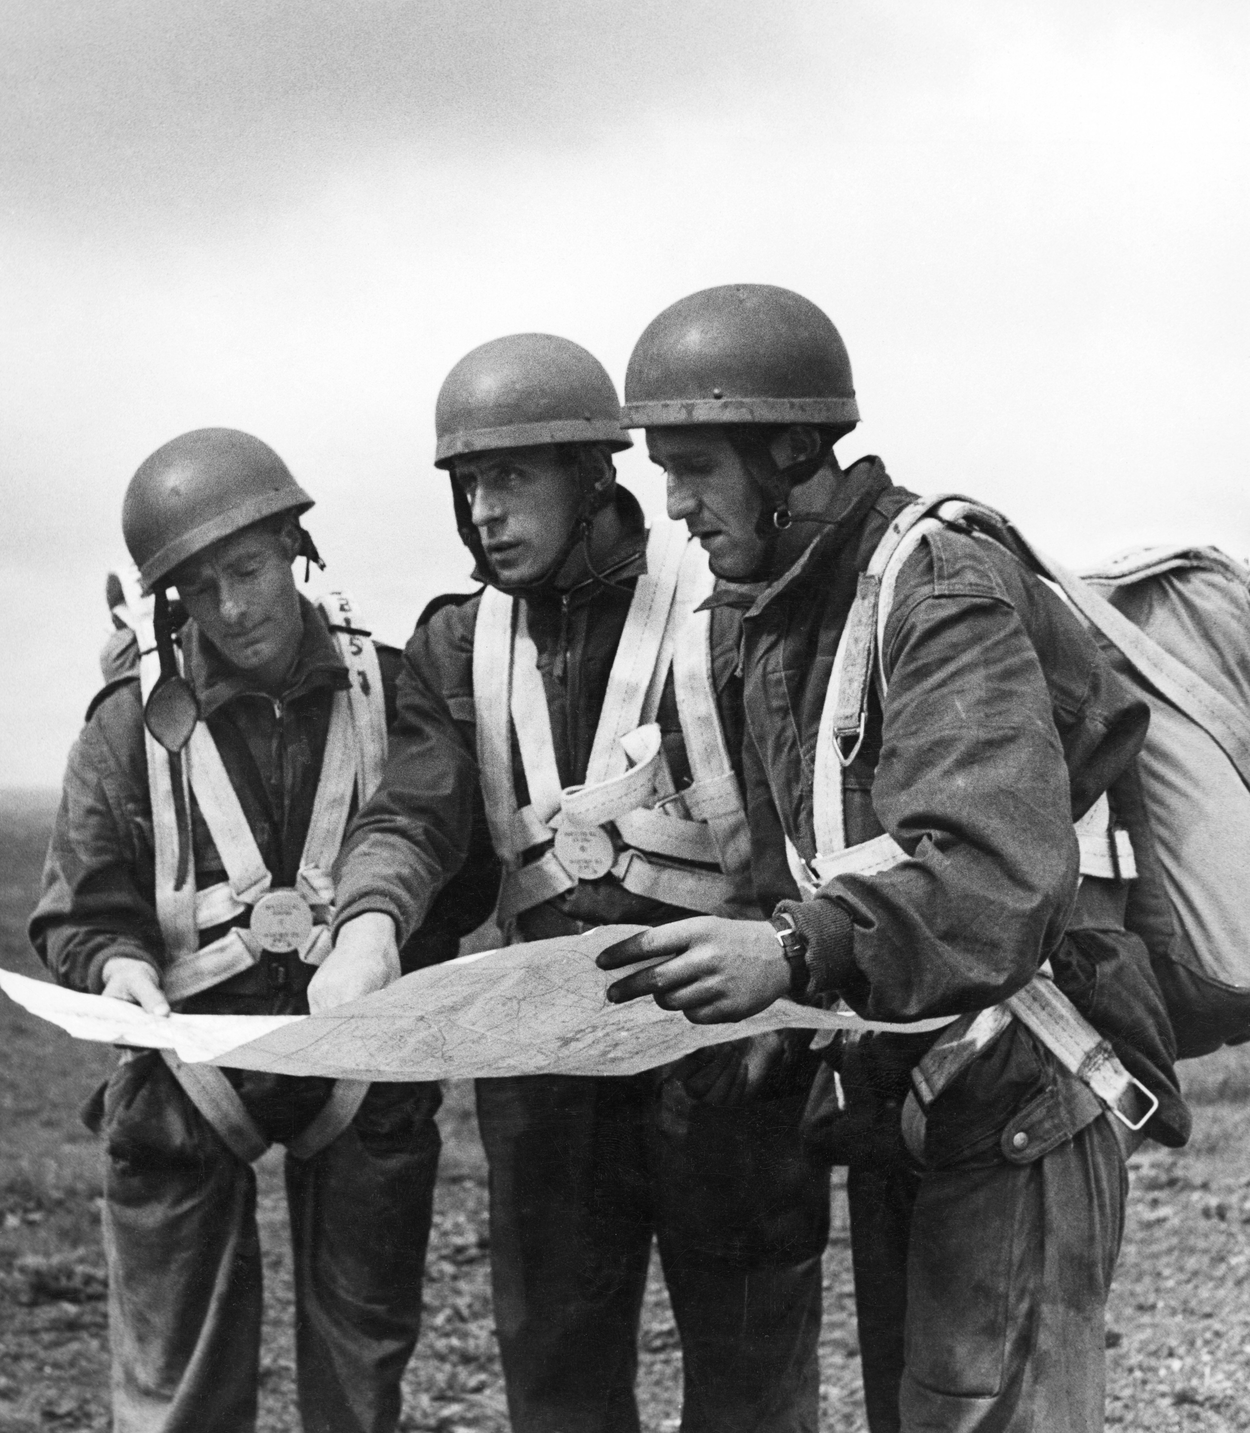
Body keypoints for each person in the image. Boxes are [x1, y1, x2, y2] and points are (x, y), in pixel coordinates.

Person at [597, 284, 1190, 1433]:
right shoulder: (766, 620)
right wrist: (774, 1001)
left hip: (1021, 1093)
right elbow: (812, 860)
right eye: (662, 473)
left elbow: (993, 877)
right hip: (907, 1092)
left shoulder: (939, 587)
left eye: (695, 469)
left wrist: (788, 952)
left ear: (789, 450)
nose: (673, 506)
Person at [331, 332, 831, 1433]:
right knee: (557, 1382)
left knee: (751, 1382)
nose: (484, 513)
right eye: (469, 485)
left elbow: (805, 816)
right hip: (547, 1065)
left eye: (511, 477)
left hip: (725, 1046)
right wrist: (369, 922)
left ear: (595, 474)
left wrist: (784, 989)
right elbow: (414, 813)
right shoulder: (456, 642)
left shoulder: (729, 603)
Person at [30, 427, 492, 1433]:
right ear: (171, 604)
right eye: (201, 590)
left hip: (359, 1056)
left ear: (294, 549)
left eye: (247, 571)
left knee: (362, 1360)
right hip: (186, 1066)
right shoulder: (127, 722)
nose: (233, 609)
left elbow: (426, 819)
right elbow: (81, 901)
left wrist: (373, 927)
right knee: (175, 1382)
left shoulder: (387, 687)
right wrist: (114, 966)